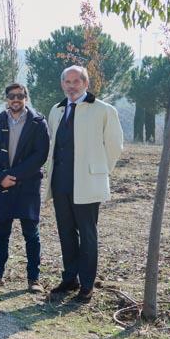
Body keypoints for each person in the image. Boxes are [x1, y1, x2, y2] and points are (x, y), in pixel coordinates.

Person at [46, 65, 124, 303]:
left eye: (76, 81)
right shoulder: (56, 110)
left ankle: (87, 285)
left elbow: (114, 147)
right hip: (60, 182)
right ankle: (70, 278)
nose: (71, 86)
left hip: (88, 183)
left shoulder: (103, 110)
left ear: (85, 83)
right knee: (66, 233)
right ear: (62, 85)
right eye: (67, 82)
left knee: (87, 235)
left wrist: (100, 172)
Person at [0, 83, 50, 293]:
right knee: (1, 232)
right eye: (12, 96)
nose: (16, 99)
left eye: (20, 96)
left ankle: (34, 280)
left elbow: (40, 155)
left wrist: (15, 175)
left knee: (31, 233)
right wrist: (0, 177)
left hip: (27, 185)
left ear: (26, 98)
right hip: (2, 185)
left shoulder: (38, 122)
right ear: (6, 98)